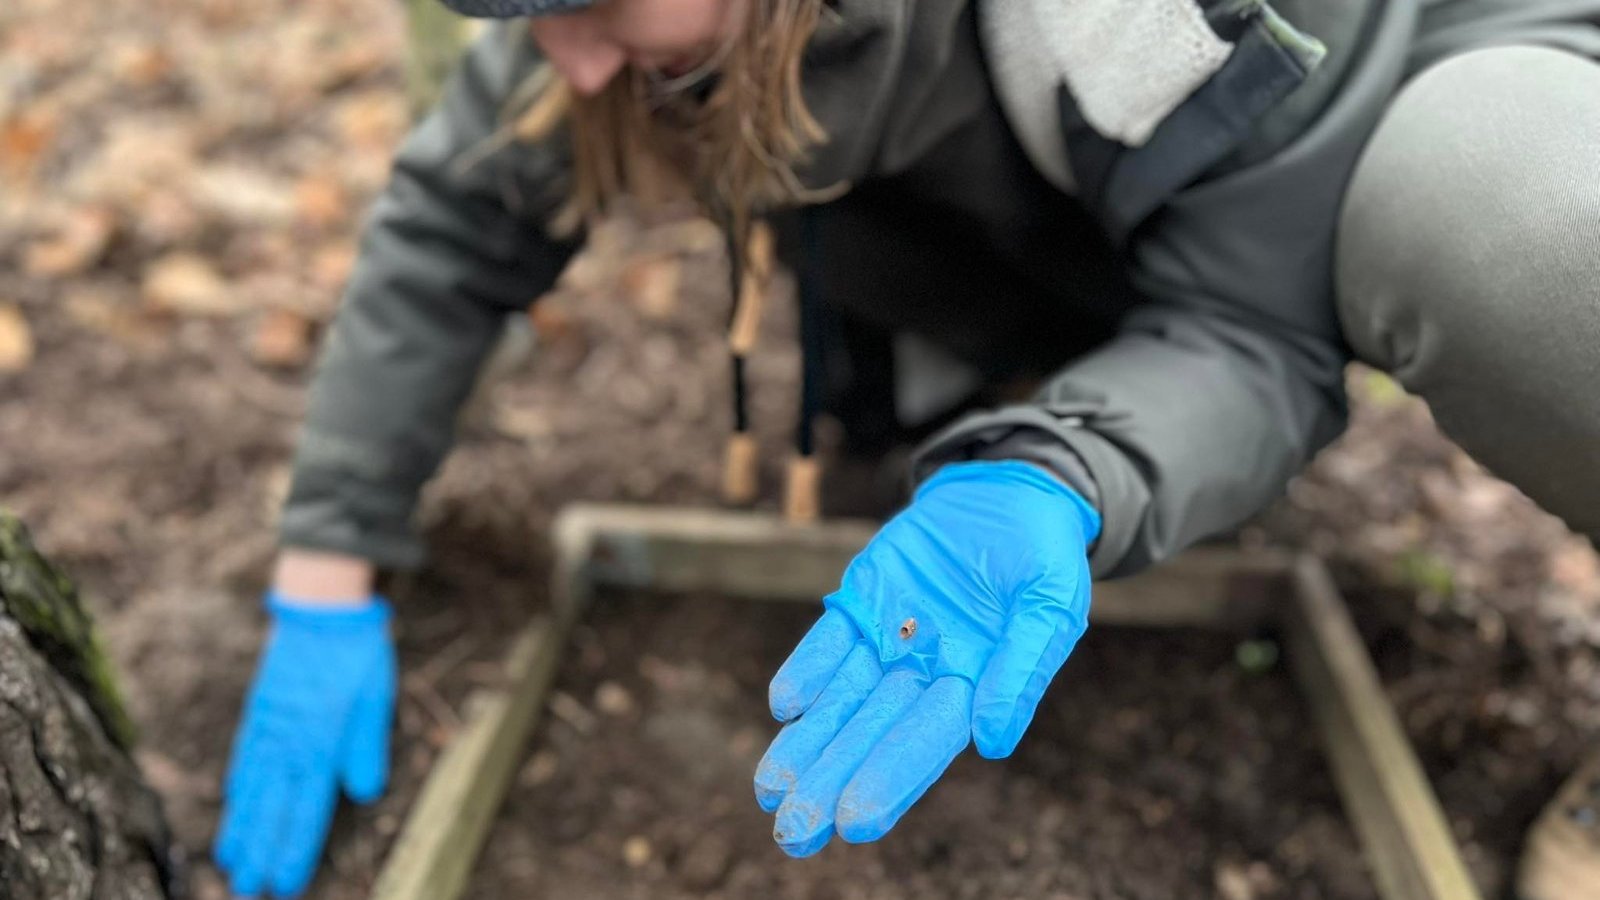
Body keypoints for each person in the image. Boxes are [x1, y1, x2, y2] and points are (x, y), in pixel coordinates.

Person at [213, 0, 1600, 896]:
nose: (565, 53)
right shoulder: (625, 30)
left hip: (1430, 92)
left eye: (591, 2)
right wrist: (326, 569)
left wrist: (1074, 468)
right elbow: (456, 220)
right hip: (1086, 190)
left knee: (1509, 228)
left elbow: (1254, 330)